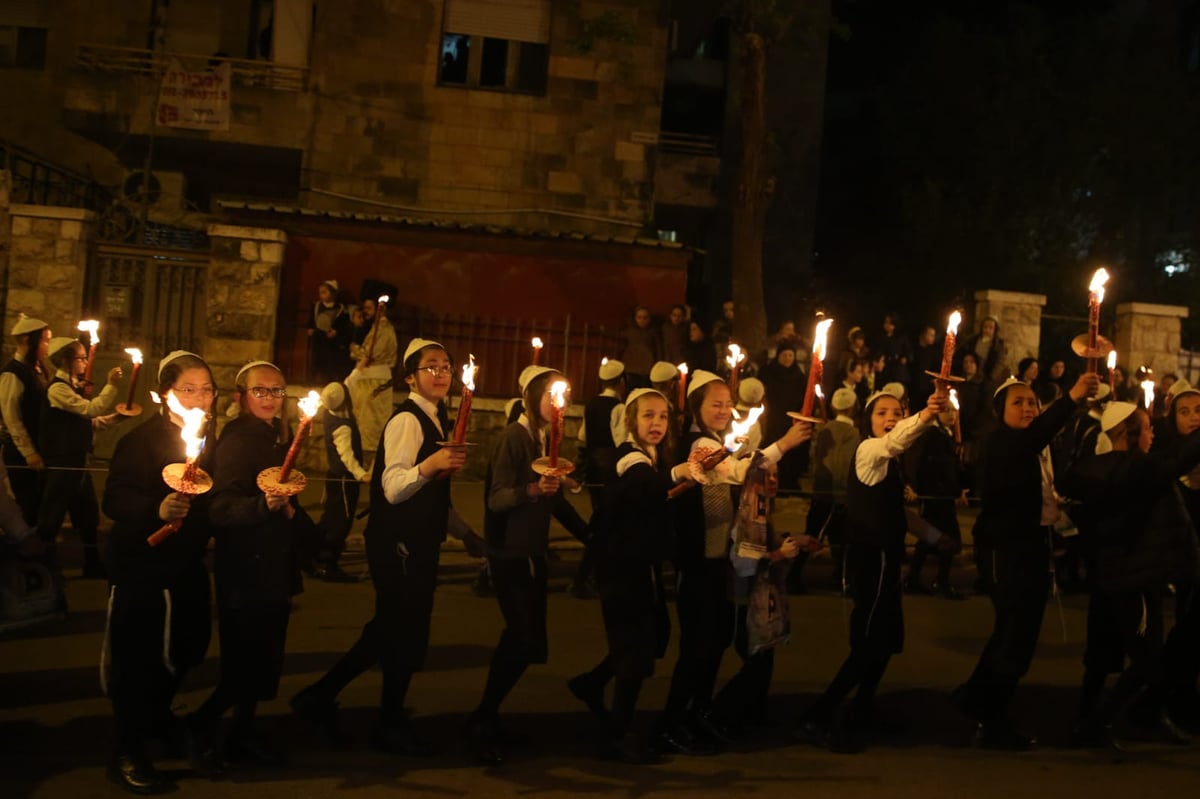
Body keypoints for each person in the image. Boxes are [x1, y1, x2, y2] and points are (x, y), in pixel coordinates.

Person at [293, 339, 484, 755]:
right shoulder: (408, 421)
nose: (440, 372)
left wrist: (465, 533)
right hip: (398, 543)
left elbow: (435, 496)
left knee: (397, 631)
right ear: (410, 376)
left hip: (418, 543)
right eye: (429, 365)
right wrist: (431, 465)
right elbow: (394, 487)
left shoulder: (436, 418)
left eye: (446, 365)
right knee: (398, 632)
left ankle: (337, 701)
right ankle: (377, 716)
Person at [656, 370, 811, 755]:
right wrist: (785, 444)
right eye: (716, 404)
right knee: (697, 649)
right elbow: (738, 469)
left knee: (715, 643)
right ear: (696, 407)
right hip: (698, 565)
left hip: (717, 564)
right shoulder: (698, 445)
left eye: (728, 403)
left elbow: (740, 475)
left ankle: (699, 716)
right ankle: (671, 724)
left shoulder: (714, 442)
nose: (725, 410)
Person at [952, 371, 1099, 750]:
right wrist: (1074, 396)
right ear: (1000, 412)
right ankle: (992, 718)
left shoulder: (1031, 448)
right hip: (1006, 550)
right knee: (1014, 636)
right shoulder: (1003, 442)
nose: (1028, 408)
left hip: (1029, 545)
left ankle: (975, 697)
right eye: (1018, 402)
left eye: (1032, 402)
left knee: (1012, 632)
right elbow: (1037, 437)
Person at [794, 389, 947, 753]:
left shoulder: (892, 461)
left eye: (897, 411)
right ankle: (818, 715)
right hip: (870, 559)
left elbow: (900, 512)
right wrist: (926, 413)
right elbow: (893, 442)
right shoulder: (869, 451)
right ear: (868, 420)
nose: (890, 418)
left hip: (887, 560)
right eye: (881, 412)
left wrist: (936, 537)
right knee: (867, 643)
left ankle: (862, 707)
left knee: (887, 641)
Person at [187, 361, 319, 767]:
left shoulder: (273, 437)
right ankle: (201, 725)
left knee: (262, 663)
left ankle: (242, 733)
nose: (270, 399)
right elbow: (221, 507)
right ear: (241, 397)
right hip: (246, 571)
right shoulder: (239, 440)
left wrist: (295, 519)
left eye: (277, 391)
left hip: (272, 568)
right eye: (260, 391)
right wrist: (263, 506)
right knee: (244, 665)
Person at [102, 351, 219, 793]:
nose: (199, 397)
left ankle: (157, 719)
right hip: (142, 569)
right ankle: (127, 750)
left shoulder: (207, 440)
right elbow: (114, 500)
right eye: (188, 389)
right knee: (138, 661)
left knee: (187, 648)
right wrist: (157, 508)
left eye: (206, 388)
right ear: (164, 395)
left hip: (185, 565)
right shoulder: (140, 441)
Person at [466, 365, 590, 765]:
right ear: (531, 396)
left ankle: (488, 715)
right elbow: (497, 498)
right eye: (550, 395)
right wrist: (533, 489)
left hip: (533, 553)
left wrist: (590, 536)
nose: (559, 403)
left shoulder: (544, 439)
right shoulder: (513, 439)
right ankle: (482, 719)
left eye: (563, 397)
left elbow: (555, 500)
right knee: (523, 637)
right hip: (509, 553)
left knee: (527, 641)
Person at [1061, 402, 1200, 750]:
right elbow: (1179, 460)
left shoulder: (1089, 470)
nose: (1153, 435)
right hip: (1136, 576)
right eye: (1147, 428)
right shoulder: (1138, 469)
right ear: (1128, 433)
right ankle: (1096, 725)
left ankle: (1086, 716)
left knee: (1102, 651)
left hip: (1107, 574)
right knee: (1148, 660)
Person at [581, 388, 692, 763]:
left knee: (652, 636)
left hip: (639, 563)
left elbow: (654, 493)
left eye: (663, 416)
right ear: (631, 421)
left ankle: (591, 684)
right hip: (622, 567)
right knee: (635, 652)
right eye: (648, 416)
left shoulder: (652, 457)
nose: (657, 423)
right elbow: (645, 482)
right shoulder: (629, 457)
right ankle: (615, 735)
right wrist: (681, 473)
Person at [36, 337, 121, 577]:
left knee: (87, 515)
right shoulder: (58, 389)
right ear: (65, 361)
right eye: (81, 358)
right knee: (52, 515)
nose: (85, 362)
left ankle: (92, 563)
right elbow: (89, 410)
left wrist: (116, 418)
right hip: (63, 462)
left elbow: (88, 422)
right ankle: (42, 567)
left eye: (86, 357)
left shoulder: (73, 387)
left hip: (77, 461)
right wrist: (111, 386)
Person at [903, 394, 966, 599]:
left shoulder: (943, 435)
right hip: (937, 496)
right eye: (946, 410)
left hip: (941, 495)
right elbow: (930, 467)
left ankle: (915, 578)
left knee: (930, 539)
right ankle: (941, 580)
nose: (951, 415)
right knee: (944, 539)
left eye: (953, 411)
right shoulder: (933, 436)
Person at [574, 359, 628, 599]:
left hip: (593, 468)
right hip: (610, 469)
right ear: (621, 382)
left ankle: (591, 574)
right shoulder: (619, 407)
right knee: (605, 523)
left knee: (601, 519)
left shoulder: (592, 404)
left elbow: (582, 436)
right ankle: (590, 575)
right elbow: (621, 441)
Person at [799, 387, 860, 593]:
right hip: (837, 495)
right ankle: (840, 578)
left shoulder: (825, 429)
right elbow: (843, 465)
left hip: (822, 491)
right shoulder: (852, 433)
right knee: (836, 539)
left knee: (819, 534)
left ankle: (835, 576)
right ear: (854, 407)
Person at [310, 381, 369, 582]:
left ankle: (314, 554)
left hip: (334, 477)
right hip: (344, 479)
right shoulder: (342, 427)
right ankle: (327, 563)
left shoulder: (330, 414)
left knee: (329, 518)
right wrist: (361, 474)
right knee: (340, 522)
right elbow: (346, 456)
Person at [0, 316, 51, 526]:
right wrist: (28, 452)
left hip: (38, 444)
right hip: (21, 452)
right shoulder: (13, 374)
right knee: (26, 500)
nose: (47, 346)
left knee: (38, 500)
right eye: (44, 341)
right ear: (27, 341)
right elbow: (12, 417)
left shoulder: (37, 369)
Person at [346, 296, 397, 463]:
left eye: (369, 308)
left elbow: (369, 354)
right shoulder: (372, 328)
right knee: (363, 423)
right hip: (367, 380)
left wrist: (354, 348)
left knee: (373, 424)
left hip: (375, 382)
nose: (366, 312)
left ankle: (373, 464)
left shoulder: (383, 329)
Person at [760, 342, 809, 492]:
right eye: (784, 355)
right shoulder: (769, 372)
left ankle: (789, 481)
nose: (788, 358)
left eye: (790, 355)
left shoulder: (799, 375)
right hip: (774, 419)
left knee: (792, 451)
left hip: (792, 419)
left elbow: (805, 397)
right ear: (778, 356)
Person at [306, 279, 352, 385]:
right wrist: (311, 328)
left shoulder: (341, 308)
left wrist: (336, 331)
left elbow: (344, 324)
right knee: (317, 361)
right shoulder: (316, 306)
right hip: (318, 338)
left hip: (332, 341)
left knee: (331, 363)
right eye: (320, 293)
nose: (321, 295)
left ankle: (330, 382)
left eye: (324, 292)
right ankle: (314, 380)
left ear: (332, 293)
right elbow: (311, 320)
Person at [960, 316, 1009, 388]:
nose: (987, 330)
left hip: (986, 376)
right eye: (985, 327)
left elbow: (1000, 362)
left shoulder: (998, 345)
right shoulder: (973, 340)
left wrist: (991, 376)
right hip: (970, 375)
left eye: (990, 328)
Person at [621, 307, 661, 389]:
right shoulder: (629, 331)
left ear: (649, 319)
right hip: (632, 367)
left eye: (645, 318)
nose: (642, 320)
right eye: (639, 317)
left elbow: (658, 349)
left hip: (647, 368)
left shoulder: (653, 332)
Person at [871, 312, 913, 391]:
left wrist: (905, 358)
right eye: (886, 322)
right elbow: (875, 352)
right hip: (884, 373)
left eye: (890, 323)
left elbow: (909, 353)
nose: (887, 325)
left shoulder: (901, 338)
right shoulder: (879, 338)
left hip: (898, 374)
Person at [911, 326, 940, 411]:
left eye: (934, 335)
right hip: (914, 388)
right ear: (924, 335)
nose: (933, 338)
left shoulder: (933, 352)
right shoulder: (913, 349)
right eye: (930, 335)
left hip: (927, 389)